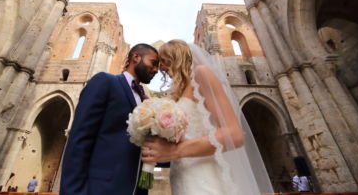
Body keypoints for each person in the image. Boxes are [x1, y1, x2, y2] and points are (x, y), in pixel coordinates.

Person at [141, 40, 273, 195]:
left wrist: (175, 151)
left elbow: (234, 135)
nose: (161, 68)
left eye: (164, 60)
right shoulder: (177, 94)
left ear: (177, 55)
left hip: (204, 175)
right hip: (182, 176)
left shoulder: (201, 73)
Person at [60, 43, 159, 195]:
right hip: (101, 188)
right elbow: (80, 138)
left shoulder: (145, 100)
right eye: (153, 63)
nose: (156, 70)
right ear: (136, 57)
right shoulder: (105, 82)